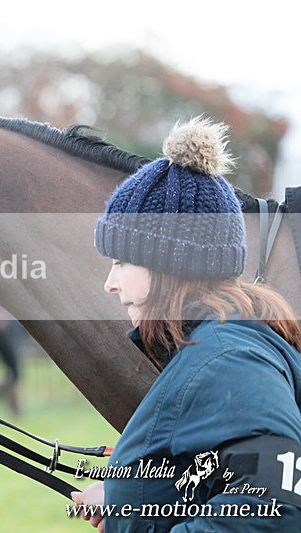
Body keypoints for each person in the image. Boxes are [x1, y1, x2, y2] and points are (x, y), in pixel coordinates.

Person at [71, 118, 301, 530]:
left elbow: (273, 513)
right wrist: (126, 502)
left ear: (170, 267)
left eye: (123, 262)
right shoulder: (216, 348)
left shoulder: (228, 360)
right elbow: (213, 477)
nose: (110, 283)